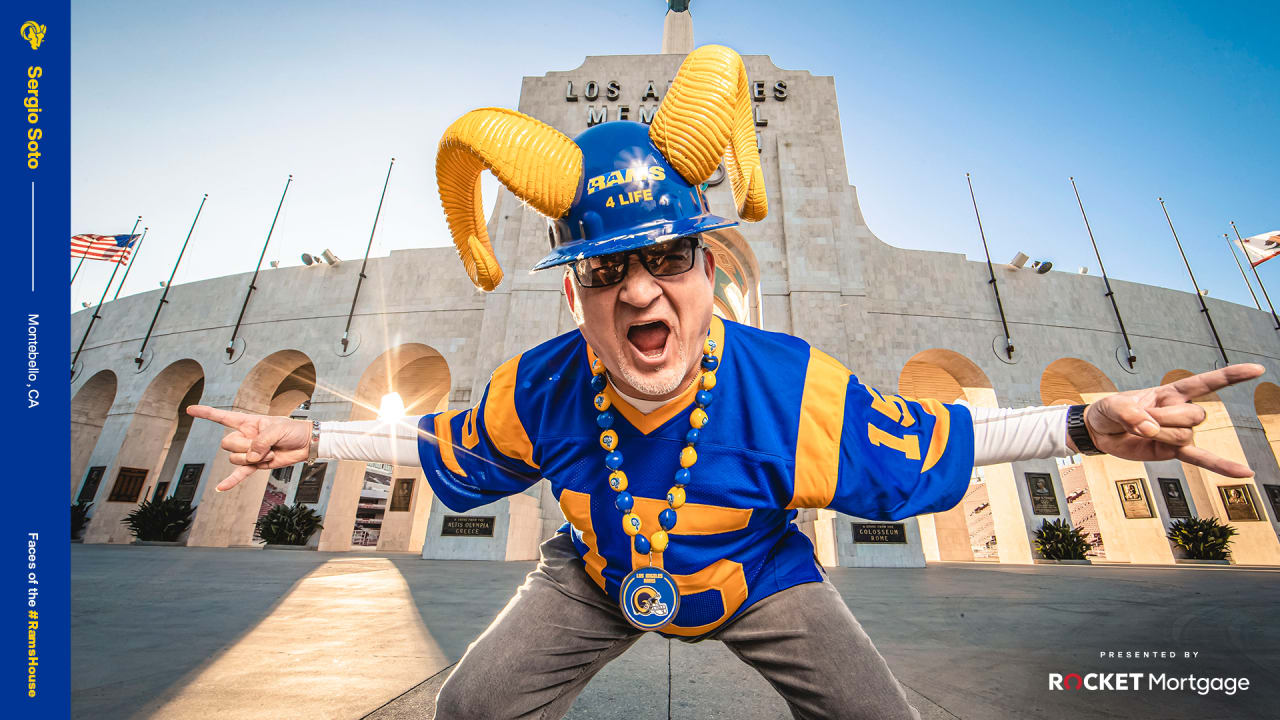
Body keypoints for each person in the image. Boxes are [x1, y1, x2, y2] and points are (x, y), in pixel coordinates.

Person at [187, 45, 1263, 720]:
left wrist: (1087, 423)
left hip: (759, 578)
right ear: (574, 298)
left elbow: (937, 437)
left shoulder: (790, 388)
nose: (642, 296)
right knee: (470, 704)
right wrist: (311, 440)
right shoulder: (542, 387)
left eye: (667, 260)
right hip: (597, 574)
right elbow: (440, 445)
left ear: (711, 270)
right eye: (607, 271)